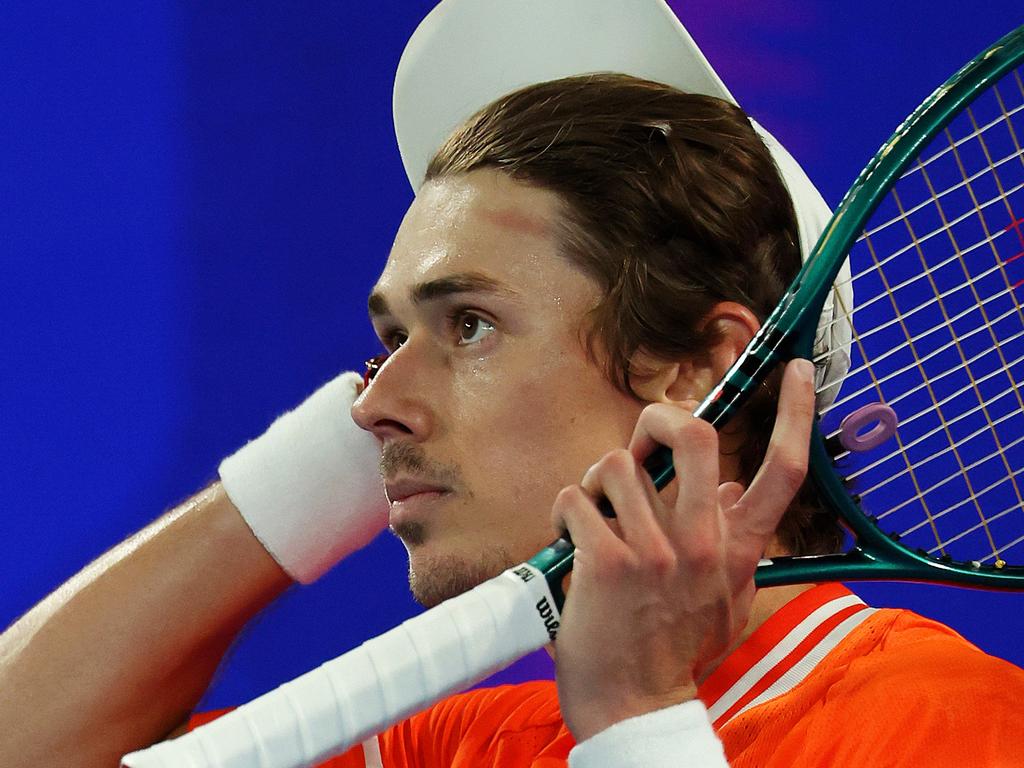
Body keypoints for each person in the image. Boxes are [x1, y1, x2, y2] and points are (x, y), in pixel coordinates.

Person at [2, 3, 1022, 768]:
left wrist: (636, 723)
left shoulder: (965, 727)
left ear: (701, 369)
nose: (369, 401)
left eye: (471, 323)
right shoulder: (474, 743)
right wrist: (342, 459)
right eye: (390, 336)